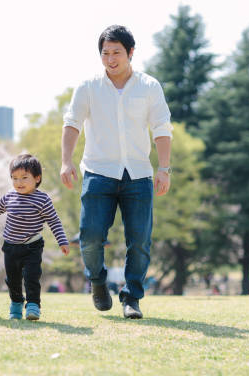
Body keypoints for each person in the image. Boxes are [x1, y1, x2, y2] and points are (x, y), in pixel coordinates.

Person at [60, 25, 172, 319]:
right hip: (99, 172)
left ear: (130, 53)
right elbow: (72, 123)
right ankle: (97, 281)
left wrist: (164, 168)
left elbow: (161, 128)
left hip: (139, 175)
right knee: (90, 236)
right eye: (105, 53)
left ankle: (131, 298)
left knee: (140, 241)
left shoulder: (149, 87)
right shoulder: (88, 87)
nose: (111, 59)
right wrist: (66, 161)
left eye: (117, 53)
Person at [0, 154, 70, 320]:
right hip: (10, 247)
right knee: (13, 280)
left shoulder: (42, 199)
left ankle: (33, 305)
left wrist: (62, 241)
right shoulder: (9, 196)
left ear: (37, 178)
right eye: (14, 178)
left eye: (24, 178)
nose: (19, 182)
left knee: (32, 277)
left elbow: (53, 221)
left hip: (32, 246)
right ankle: (16, 304)